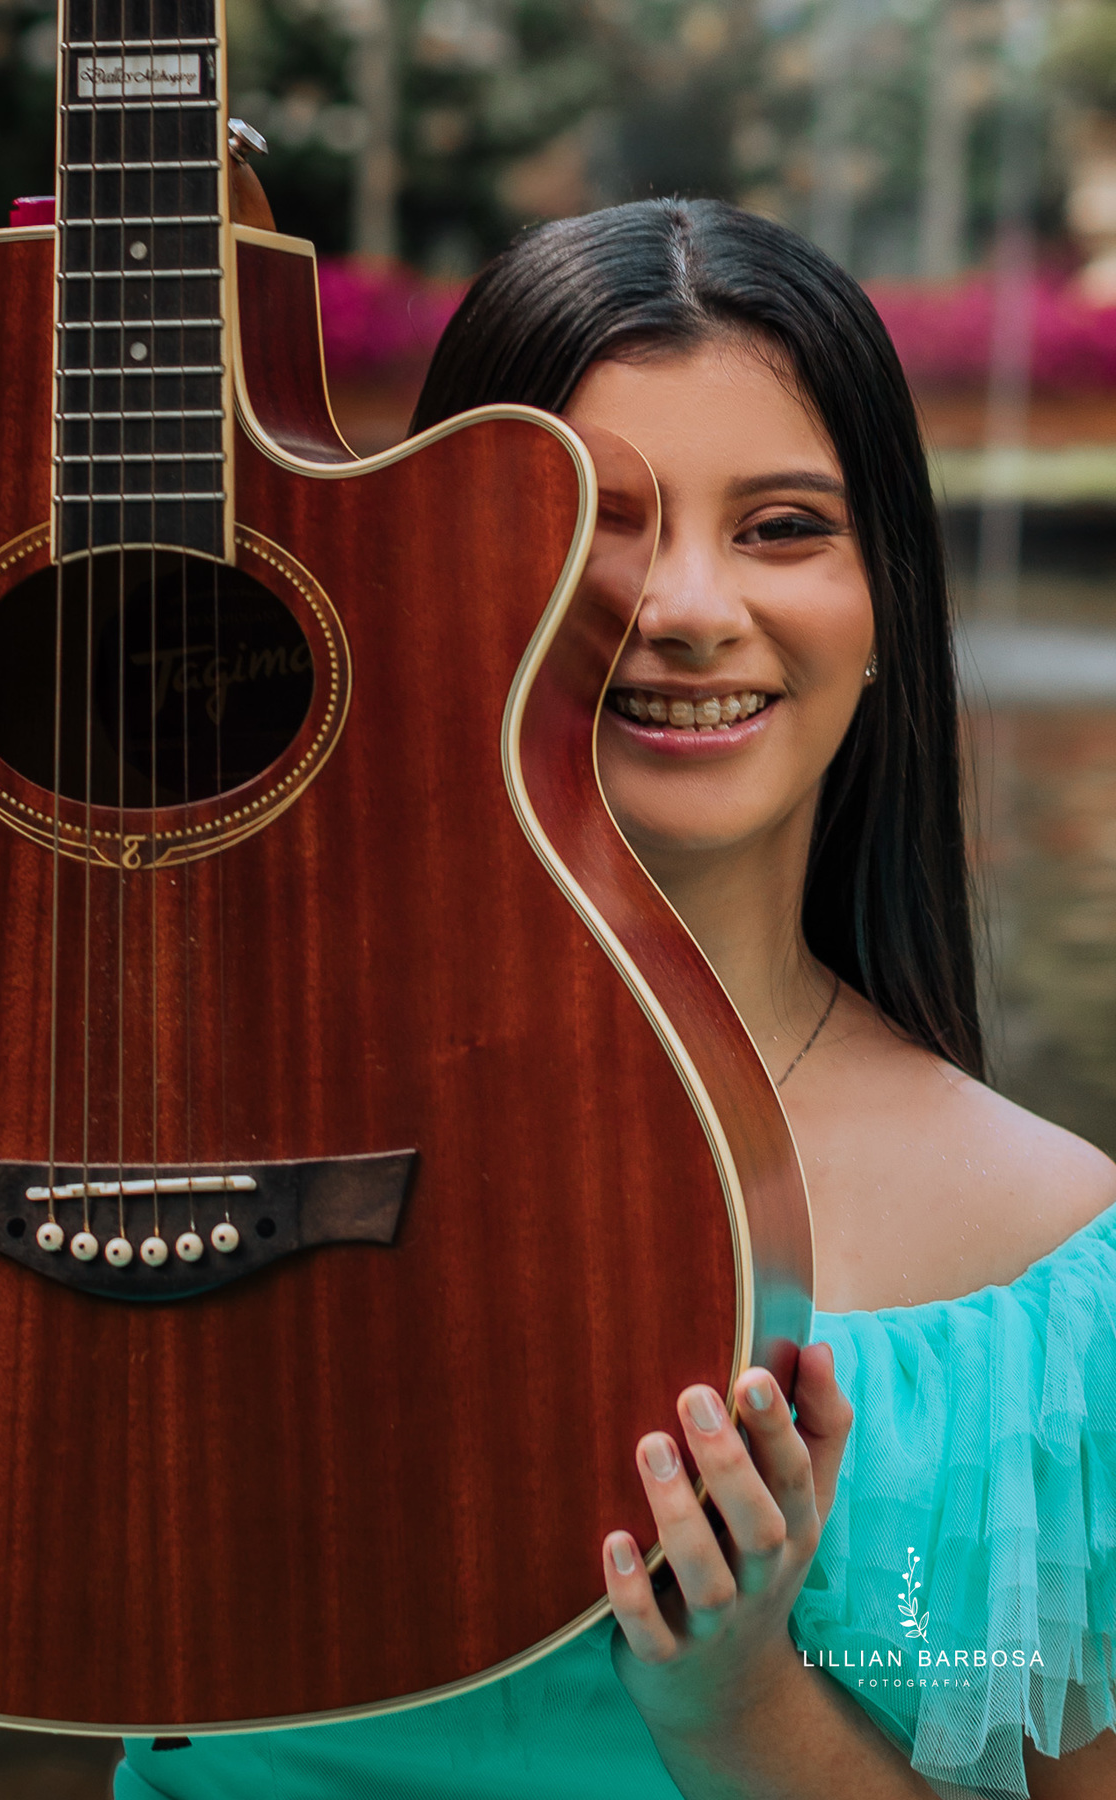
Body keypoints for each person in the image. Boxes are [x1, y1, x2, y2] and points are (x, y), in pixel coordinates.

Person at [116, 199, 1116, 1800]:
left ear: (888, 613)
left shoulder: (1058, 1262)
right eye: (591, 518)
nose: (688, 606)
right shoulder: (174, 1105)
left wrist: (737, 1707)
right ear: (436, 574)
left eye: (786, 525)